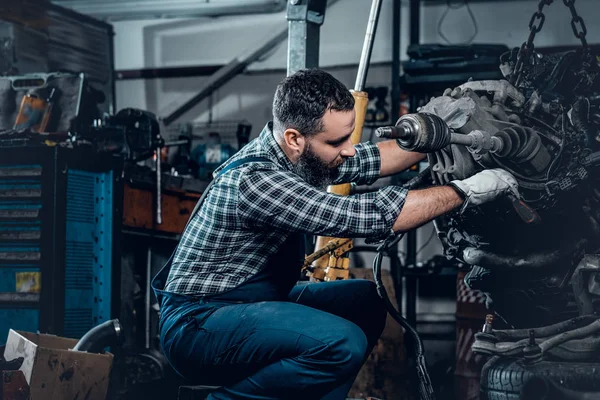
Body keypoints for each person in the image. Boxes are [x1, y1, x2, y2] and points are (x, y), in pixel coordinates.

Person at [152, 69, 519, 400]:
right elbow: (367, 214)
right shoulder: (257, 180)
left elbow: (373, 158)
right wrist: (466, 191)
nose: (347, 150)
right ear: (295, 138)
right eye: (337, 142)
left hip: (245, 302)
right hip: (197, 326)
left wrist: (439, 133)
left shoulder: (298, 154)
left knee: (365, 299)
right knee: (342, 343)